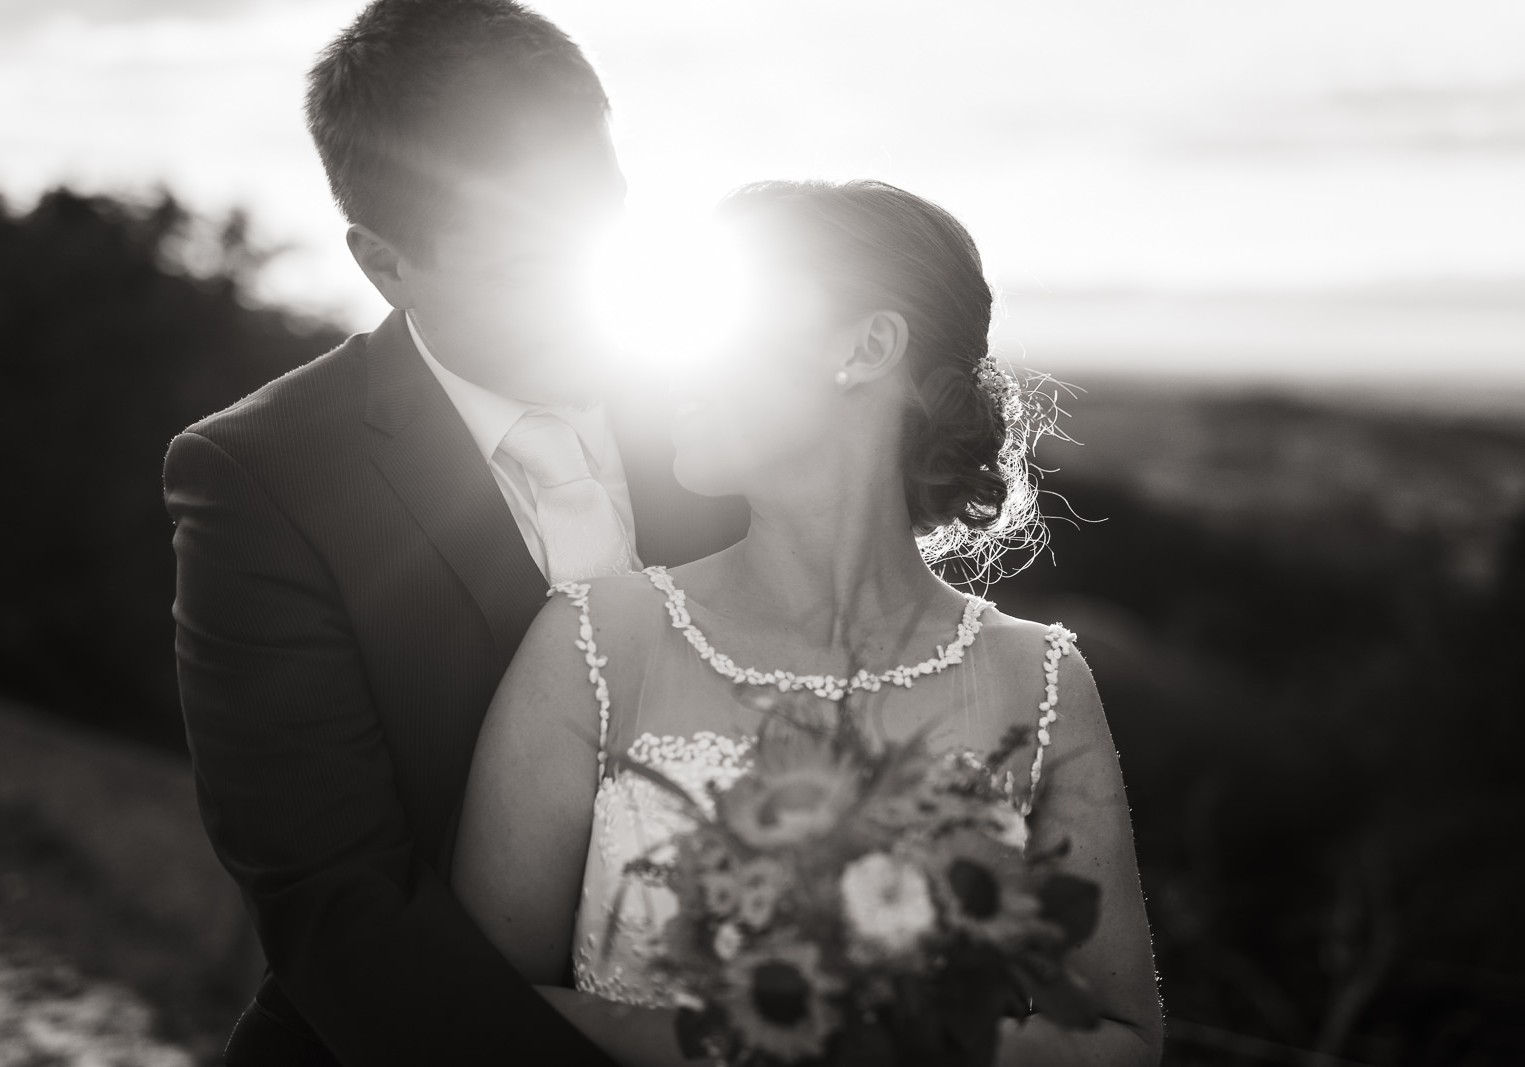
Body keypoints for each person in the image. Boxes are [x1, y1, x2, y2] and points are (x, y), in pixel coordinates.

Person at [452, 180, 1165, 1066]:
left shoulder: (1041, 681)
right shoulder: (595, 643)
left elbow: (1121, 1036)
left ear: (865, 347)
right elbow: (473, 1008)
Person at [163, 1, 746, 1063]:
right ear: (384, 263)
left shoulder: (730, 405)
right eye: (527, 266)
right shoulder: (262, 479)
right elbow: (338, 905)